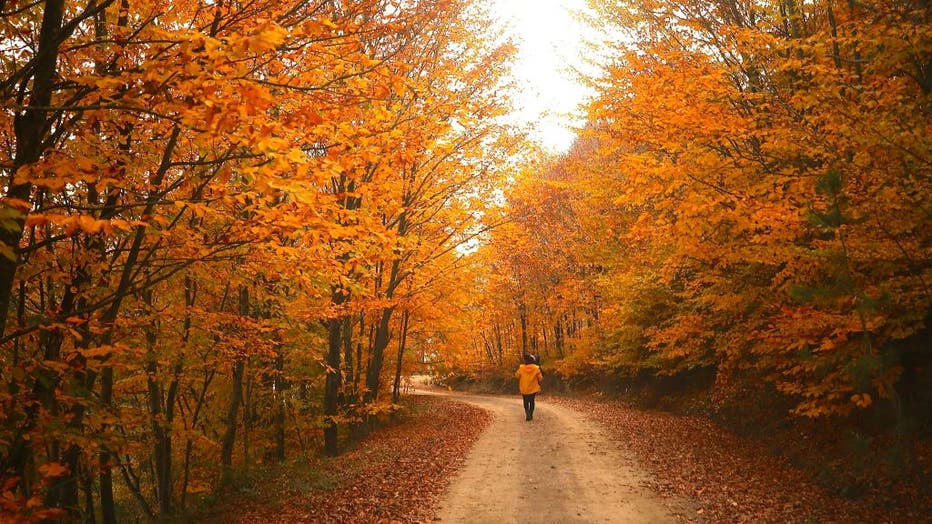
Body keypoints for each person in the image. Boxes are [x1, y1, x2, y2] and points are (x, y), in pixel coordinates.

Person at [515, 354, 543, 421]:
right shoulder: (536, 368)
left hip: (524, 388)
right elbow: (540, 378)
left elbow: (517, 376)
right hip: (533, 388)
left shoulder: (521, 368)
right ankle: (531, 414)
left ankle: (527, 414)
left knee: (525, 401)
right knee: (532, 401)